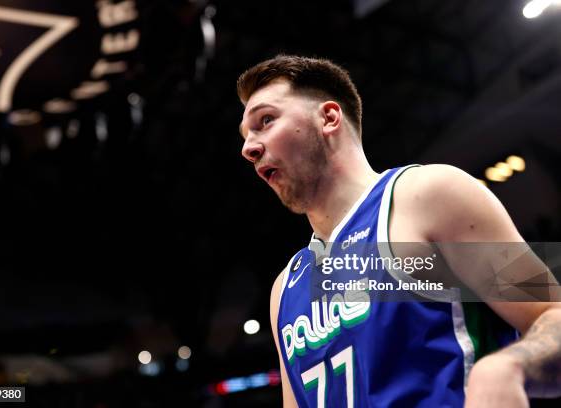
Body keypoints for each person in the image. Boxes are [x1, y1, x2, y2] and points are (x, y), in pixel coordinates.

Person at [236, 55, 561, 407]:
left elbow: (552, 313)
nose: (248, 148)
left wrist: (507, 366)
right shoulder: (285, 289)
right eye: (245, 135)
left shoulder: (431, 194)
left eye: (265, 120)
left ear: (329, 118)